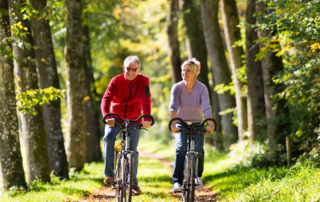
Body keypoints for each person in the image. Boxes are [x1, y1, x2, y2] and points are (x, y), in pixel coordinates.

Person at [101, 55, 152, 196]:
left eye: (134, 69)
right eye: (128, 69)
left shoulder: (143, 80)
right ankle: (110, 174)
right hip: (115, 117)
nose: (131, 72)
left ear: (138, 69)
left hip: (134, 118)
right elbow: (106, 99)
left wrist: (146, 117)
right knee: (108, 137)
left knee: (132, 151)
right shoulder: (116, 81)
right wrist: (107, 116)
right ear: (124, 68)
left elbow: (146, 99)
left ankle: (133, 184)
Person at [169, 58, 215, 192]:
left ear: (195, 74)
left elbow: (206, 108)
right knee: (181, 148)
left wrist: (210, 124)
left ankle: (197, 176)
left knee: (199, 150)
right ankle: (177, 181)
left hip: (198, 123)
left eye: (188, 70)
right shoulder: (177, 87)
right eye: (183, 70)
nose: (184, 72)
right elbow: (173, 107)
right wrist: (173, 123)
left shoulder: (202, 88)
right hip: (181, 124)